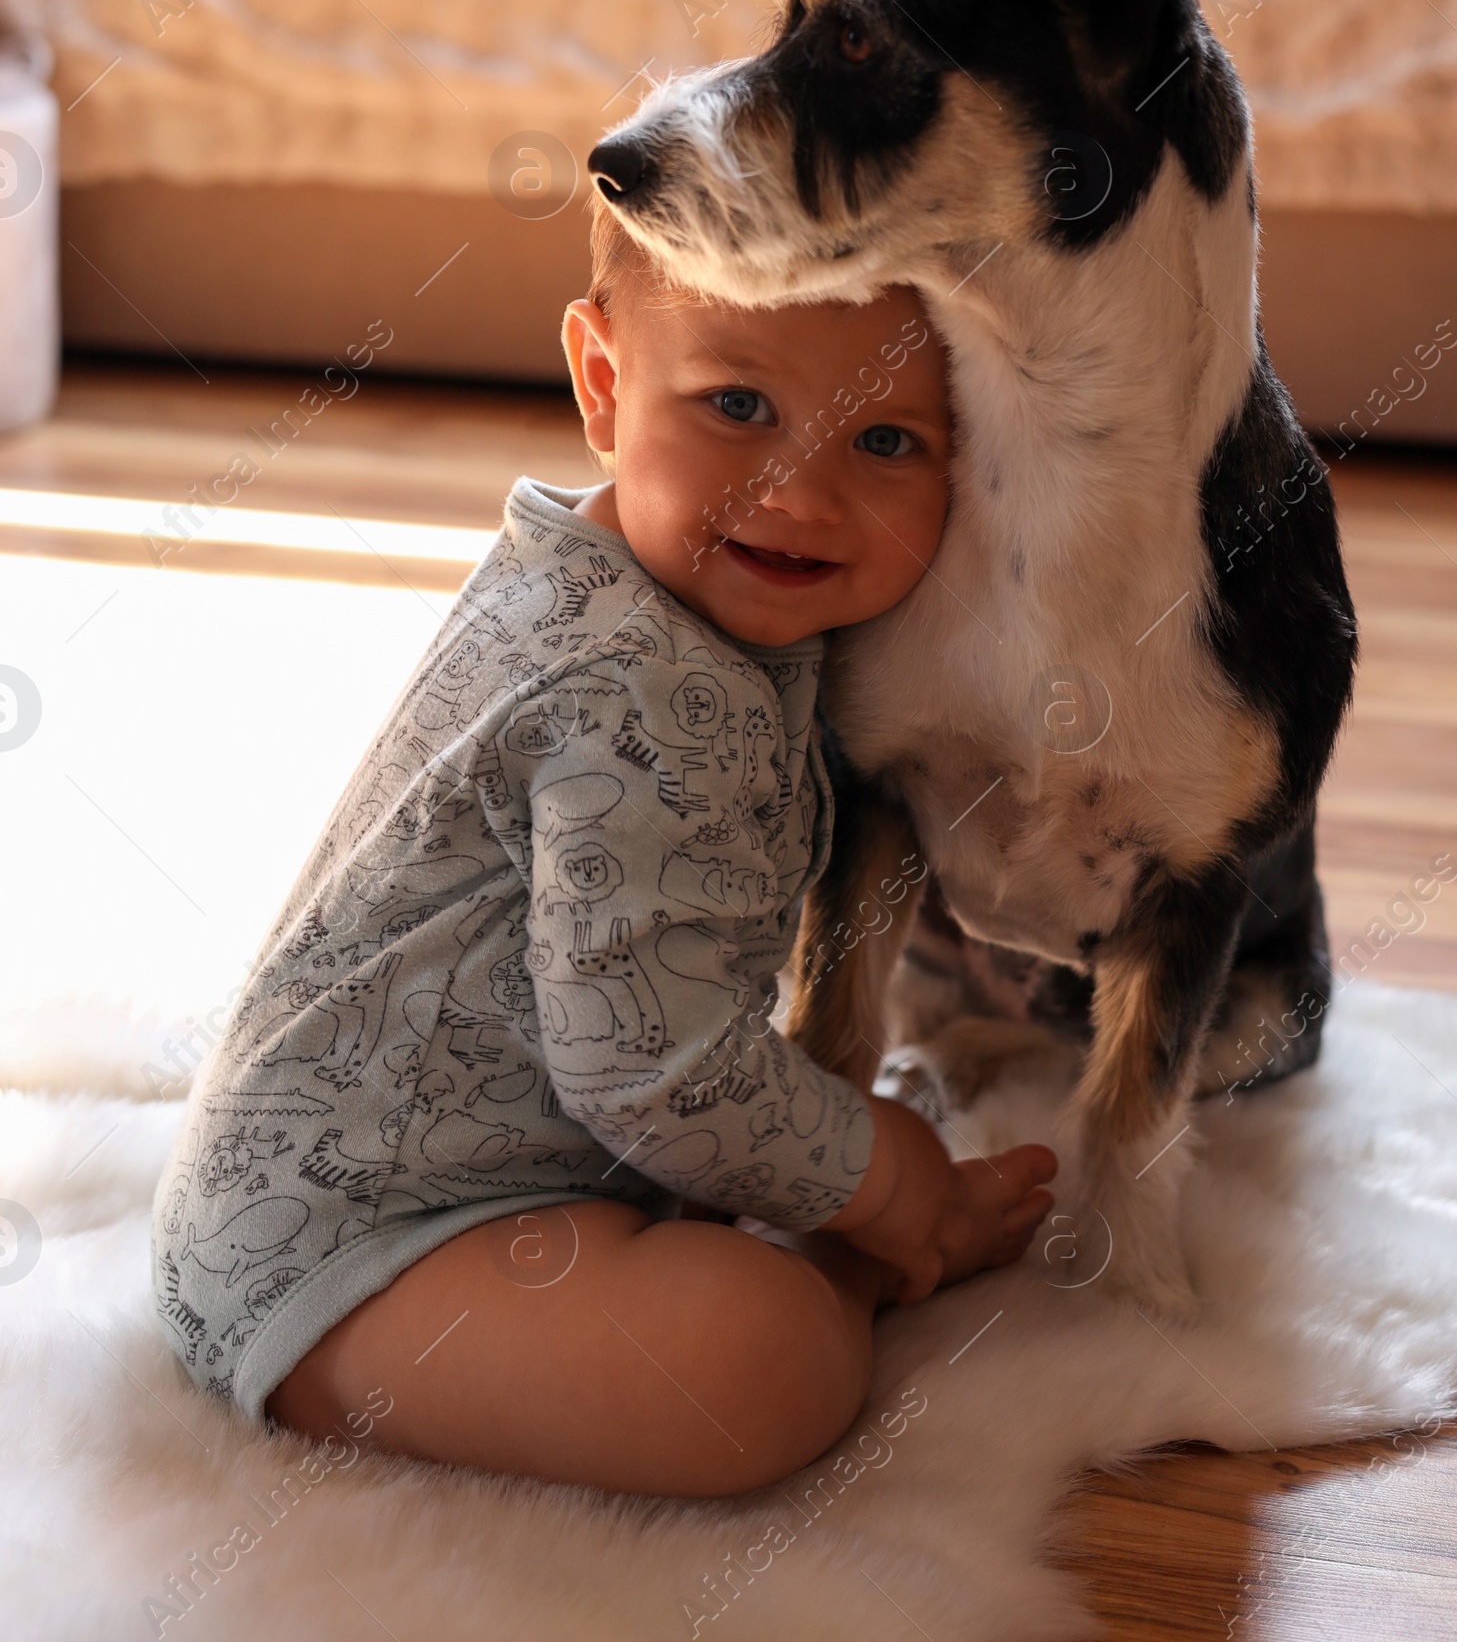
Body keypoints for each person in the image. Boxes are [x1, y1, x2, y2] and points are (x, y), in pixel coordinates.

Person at [150, 204, 1056, 1496]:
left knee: (710, 1260)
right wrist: (876, 1182)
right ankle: (849, 1276)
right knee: (759, 1366)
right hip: (354, 1262)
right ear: (601, 381)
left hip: (479, 1178)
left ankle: (765, 1225)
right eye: (738, 406)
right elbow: (649, 1070)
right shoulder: (640, 696)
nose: (801, 492)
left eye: (888, 439)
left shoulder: (595, 569)